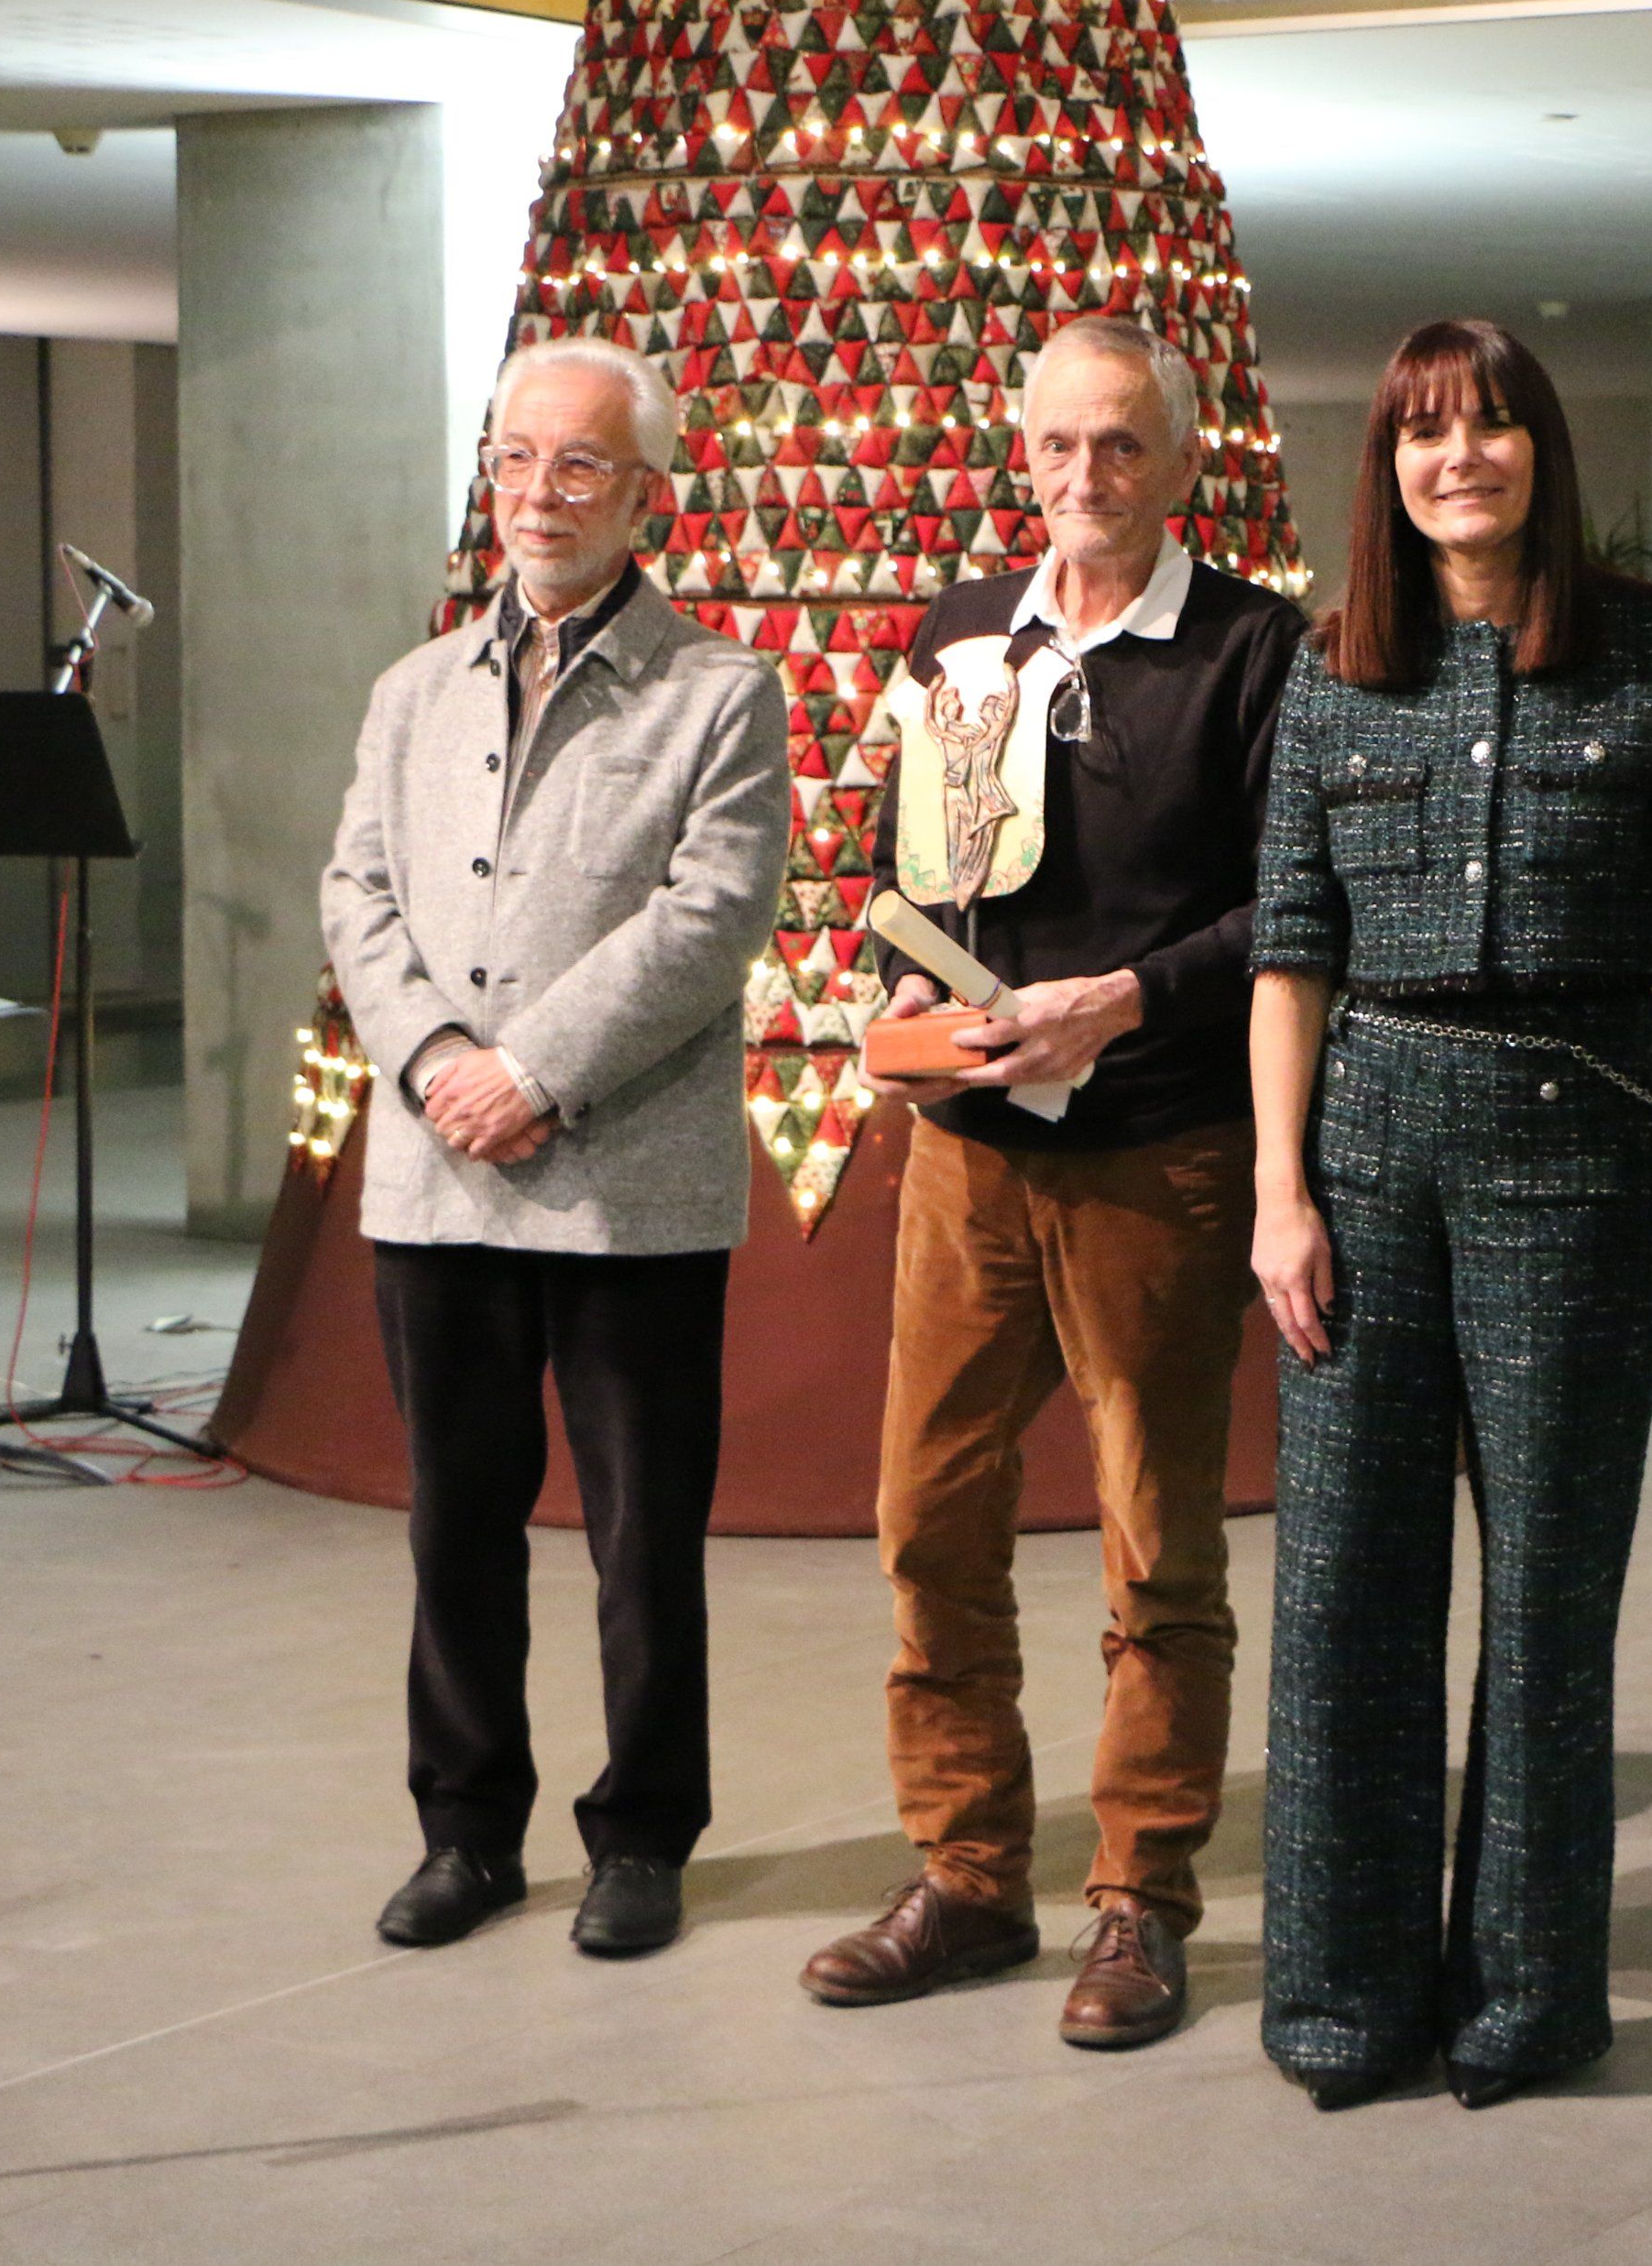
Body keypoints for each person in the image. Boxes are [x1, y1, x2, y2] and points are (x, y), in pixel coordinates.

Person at [1246, 318, 1652, 2111]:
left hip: (1571, 1128)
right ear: (1384, 467)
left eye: (1489, 425)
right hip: (1362, 1141)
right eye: (1420, 432)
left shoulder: (1644, 657)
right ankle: (1338, 1999)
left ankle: (1527, 2000)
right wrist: (1278, 1194)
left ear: (1540, 454)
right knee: (1342, 1588)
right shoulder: (1332, 669)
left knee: (1550, 1589)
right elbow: (1286, 947)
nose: (1456, 457)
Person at [796, 318, 1305, 2051]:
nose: (1085, 479)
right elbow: (903, 861)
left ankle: (1139, 1905)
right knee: (927, 1524)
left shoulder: (1255, 651)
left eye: (1122, 448)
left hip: (1157, 1154)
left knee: (1157, 1549)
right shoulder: (959, 630)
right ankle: (968, 1876)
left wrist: (1127, 994)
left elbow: (1292, 914)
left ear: (1180, 461)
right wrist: (911, 995)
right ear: (1023, 452)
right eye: (1059, 447)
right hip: (966, 1161)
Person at [319, 335, 791, 1960]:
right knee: (455, 1522)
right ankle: (464, 1829)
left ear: (646, 496)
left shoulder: (719, 690)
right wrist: (445, 1059)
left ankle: (643, 1835)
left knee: (642, 1538)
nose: (538, 493)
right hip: (434, 1180)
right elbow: (356, 893)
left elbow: (712, 915)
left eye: (579, 464)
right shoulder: (411, 689)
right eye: (515, 459)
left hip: (625, 1187)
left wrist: (535, 1068)